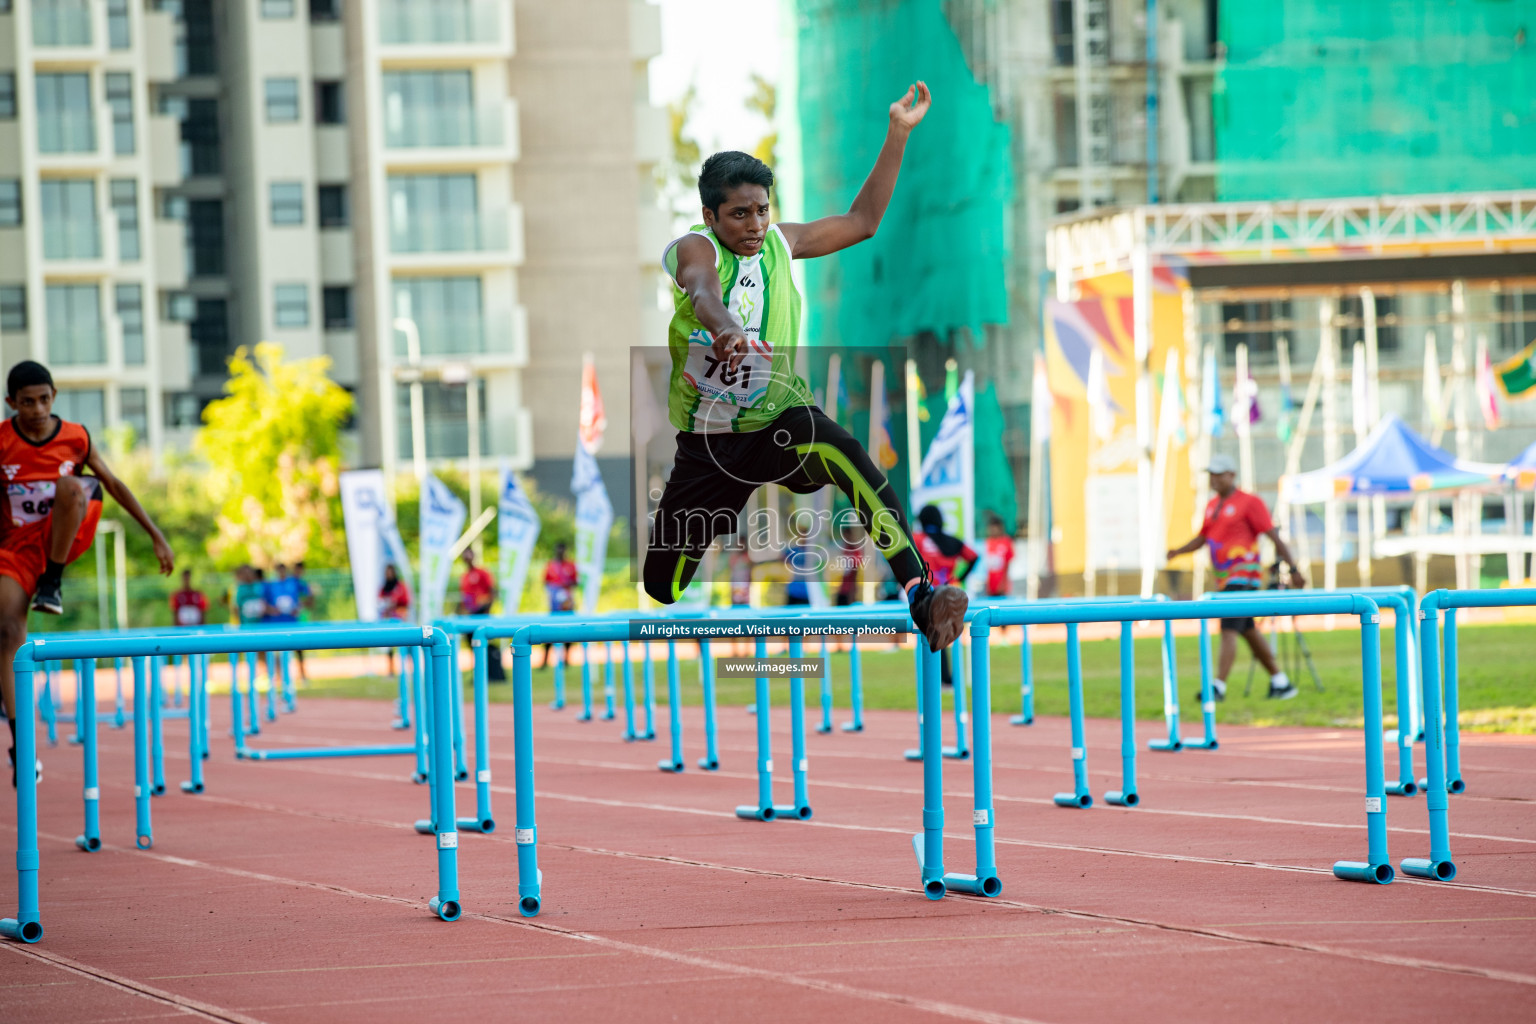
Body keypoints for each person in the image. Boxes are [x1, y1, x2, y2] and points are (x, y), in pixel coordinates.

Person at [640, 82, 967, 655]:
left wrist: (898, 133)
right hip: (711, 443)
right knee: (662, 585)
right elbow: (702, 291)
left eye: (763, 210)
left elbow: (863, 221)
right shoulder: (694, 249)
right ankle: (707, 522)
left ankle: (920, 592)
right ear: (709, 216)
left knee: (845, 452)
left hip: (780, 420)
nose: (754, 225)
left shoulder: (782, 244)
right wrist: (727, 332)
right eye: (739, 214)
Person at [0, 360, 173, 787]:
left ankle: (53, 583)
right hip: (16, 549)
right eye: (27, 402)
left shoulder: (76, 437)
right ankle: (22, 749)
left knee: (74, 485)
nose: (38, 409)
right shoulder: (2, 441)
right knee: (6, 631)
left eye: (44, 399)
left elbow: (113, 484)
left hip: (64, 535)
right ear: (10, 404)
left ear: (54, 396)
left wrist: (155, 534)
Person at [1165, 453, 1304, 701]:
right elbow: (1202, 538)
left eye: (1219, 474)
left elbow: (1273, 536)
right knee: (1247, 630)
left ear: (1232, 475)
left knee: (1228, 628)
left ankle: (1218, 686)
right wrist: (1178, 552)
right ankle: (1280, 682)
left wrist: (1293, 570)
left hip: (1243, 576)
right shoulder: (1211, 506)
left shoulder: (1250, 502)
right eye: (1211, 475)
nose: (1214, 479)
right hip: (1224, 578)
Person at [913, 505, 977, 688]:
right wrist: (959, 578)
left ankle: (943, 679)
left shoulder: (919, 539)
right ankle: (948, 678)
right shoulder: (952, 541)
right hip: (951, 592)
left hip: (929, 594)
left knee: (933, 637)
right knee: (949, 636)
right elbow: (973, 557)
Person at [458, 548, 503, 681]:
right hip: (469, 616)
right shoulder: (464, 577)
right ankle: (478, 672)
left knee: (484, 644)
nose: (467, 558)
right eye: (464, 556)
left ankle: (489, 672)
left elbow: (492, 592)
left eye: (469, 555)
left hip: (481, 614)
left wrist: (486, 610)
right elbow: (465, 598)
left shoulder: (482, 573)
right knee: (473, 645)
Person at [540, 542, 577, 669]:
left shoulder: (571, 565)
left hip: (567, 603)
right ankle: (545, 660)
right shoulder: (551, 565)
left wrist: (566, 585)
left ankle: (567, 659)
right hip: (554, 604)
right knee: (549, 631)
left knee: (569, 631)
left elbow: (576, 582)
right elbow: (545, 581)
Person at [379, 563, 411, 677]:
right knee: (389, 646)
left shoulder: (401, 586)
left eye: (390, 572)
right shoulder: (384, 588)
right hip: (387, 619)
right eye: (387, 573)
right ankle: (391, 670)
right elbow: (379, 602)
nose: (389, 575)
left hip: (399, 619)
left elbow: (406, 602)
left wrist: (394, 605)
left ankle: (408, 668)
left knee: (405, 644)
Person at [291, 560, 315, 680]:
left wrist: (302, 604)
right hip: (289, 620)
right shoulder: (291, 582)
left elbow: (310, 602)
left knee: (299, 648)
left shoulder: (302, 584)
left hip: (300, 619)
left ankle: (302, 674)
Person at [983, 513, 1014, 598]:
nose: (992, 530)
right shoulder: (988, 542)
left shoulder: (1006, 542)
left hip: (1002, 585)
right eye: (990, 528)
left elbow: (1007, 564)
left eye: (994, 528)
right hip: (990, 585)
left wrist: (1003, 584)